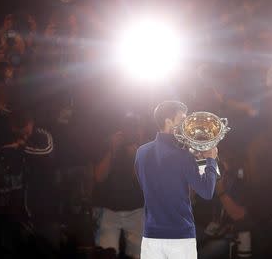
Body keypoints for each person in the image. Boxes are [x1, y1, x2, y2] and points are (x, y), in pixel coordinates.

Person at [135, 100, 219, 259]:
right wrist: (210, 160)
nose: (187, 125)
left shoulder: (141, 152)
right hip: (180, 237)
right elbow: (207, 192)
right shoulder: (183, 156)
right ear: (168, 122)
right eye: (182, 120)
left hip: (151, 237)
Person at [93, 114, 146, 259]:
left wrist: (137, 155)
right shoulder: (108, 144)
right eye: (127, 129)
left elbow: (144, 183)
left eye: (134, 129)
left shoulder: (144, 149)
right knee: (106, 253)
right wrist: (112, 150)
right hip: (109, 210)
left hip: (136, 210)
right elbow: (99, 177)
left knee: (139, 254)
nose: (130, 133)